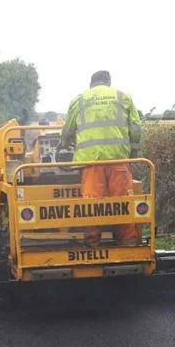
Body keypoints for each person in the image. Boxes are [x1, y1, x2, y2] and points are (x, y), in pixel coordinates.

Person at [60, 70, 143, 246]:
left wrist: (65, 144)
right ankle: (127, 242)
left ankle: (92, 242)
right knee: (122, 202)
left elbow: (67, 130)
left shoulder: (80, 99)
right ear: (108, 82)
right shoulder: (123, 97)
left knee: (92, 204)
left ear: (91, 84)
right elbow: (136, 129)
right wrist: (132, 155)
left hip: (90, 162)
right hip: (118, 160)